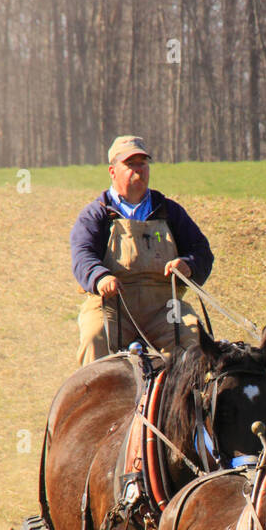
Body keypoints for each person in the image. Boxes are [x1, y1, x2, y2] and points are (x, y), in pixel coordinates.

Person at [71, 135, 214, 364]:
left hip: (165, 308)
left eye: (142, 163)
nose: (138, 170)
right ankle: (95, 399)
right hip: (112, 307)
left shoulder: (170, 211)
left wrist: (188, 265)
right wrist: (100, 277)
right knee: (93, 338)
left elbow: (201, 251)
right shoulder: (96, 214)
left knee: (196, 343)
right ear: (112, 171)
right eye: (130, 164)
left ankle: (188, 400)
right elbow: (82, 255)